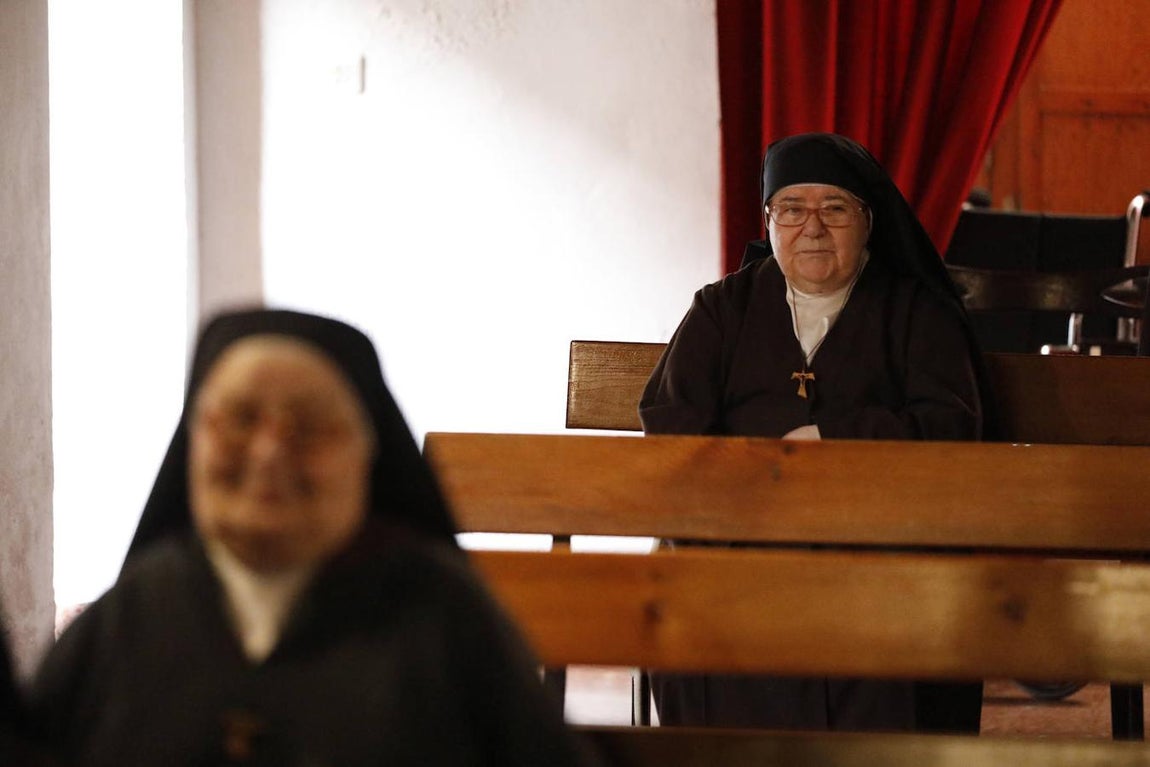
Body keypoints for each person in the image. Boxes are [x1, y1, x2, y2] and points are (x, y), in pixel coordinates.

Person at [28, 308, 602, 767]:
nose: (270, 452)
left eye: (309, 425)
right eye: (241, 418)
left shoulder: (446, 617)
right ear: (192, 439)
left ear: (367, 454)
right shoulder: (128, 617)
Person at [640, 132, 989, 733]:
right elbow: (672, 423)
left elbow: (950, 426)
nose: (813, 228)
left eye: (834, 209)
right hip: (742, 540)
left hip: (878, 545)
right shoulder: (721, 310)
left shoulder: (916, 312)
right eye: (792, 209)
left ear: (868, 221)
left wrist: (830, 443)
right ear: (769, 221)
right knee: (706, 599)